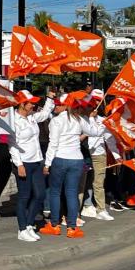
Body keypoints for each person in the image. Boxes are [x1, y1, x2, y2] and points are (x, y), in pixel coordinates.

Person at [39, 95, 107, 238]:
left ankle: (54, 225)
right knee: (71, 193)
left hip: (60, 159)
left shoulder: (56, 121)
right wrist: (94, 118)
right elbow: (96, 132)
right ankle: (72, 227)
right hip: (76, 160)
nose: (55, 107)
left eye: (58, 104)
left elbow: (53, 143)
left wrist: (47, 163)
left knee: (55, 192)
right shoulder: (79, 119)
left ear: (65, 106)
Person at [9, 90, 55, 242]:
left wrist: (49, 98)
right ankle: (22, 229)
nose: (34, 105)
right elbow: (12, 145)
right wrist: (19, 164)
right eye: (31, 103)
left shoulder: (32, 117)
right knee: (24, 196)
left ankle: (29, 225)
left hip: (36, 161)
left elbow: (45, 113)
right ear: (22, 104)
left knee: (40, 194)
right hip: (23, 163)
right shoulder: (13, 121)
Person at [82, 91, 117, 222]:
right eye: (94, 100)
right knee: (83, 182)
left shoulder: (103, 120)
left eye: (99, 101)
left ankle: (101, 209)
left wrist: (116, 154)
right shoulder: (82, 118)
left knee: (98, 182)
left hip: (99, 153)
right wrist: (90, 117)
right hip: (84, 152)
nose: (96, 103)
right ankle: (84, 207)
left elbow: (109, 139)